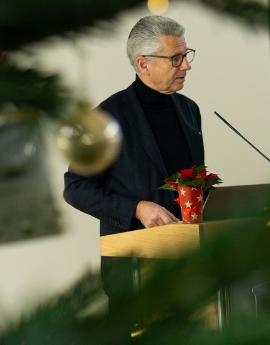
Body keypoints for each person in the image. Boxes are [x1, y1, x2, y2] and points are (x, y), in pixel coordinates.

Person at [63, 16, 204, 316]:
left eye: (186, 55)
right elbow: (75, 187)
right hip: (134, 275)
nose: (186, 66)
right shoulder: (107, 117)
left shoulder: (190, 110)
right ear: (143, 64)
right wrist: (138, 208)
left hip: (189, 270)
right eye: (176, 58)